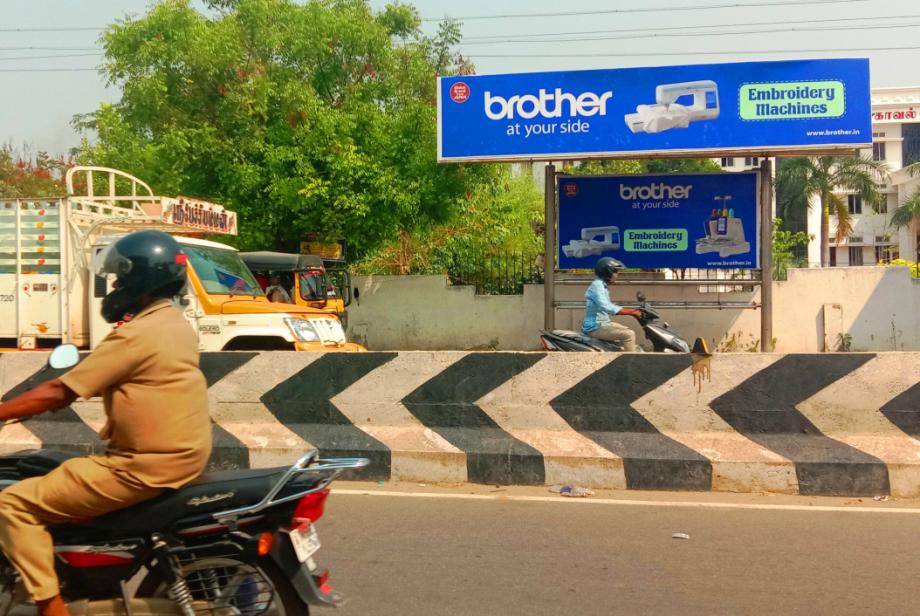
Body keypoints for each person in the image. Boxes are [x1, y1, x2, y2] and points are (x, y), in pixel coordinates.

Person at [0, 230, 212, 616]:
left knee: (13, 502)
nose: (115, 286)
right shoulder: (174, 324)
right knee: (52, 466)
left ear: (140, 279)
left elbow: (58, 392)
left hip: (140, 467)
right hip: (182, 458)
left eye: (120, 278)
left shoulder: (135, 336)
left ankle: (51, 607)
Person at [582, 257, 643, 351]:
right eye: (615, 271)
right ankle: (630, 364)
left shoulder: (602, 286)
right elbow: (606, 306)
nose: (617, 275)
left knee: (626, 329)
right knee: (629, 335)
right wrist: (631, 312)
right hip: (594, 327)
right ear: (607, 272)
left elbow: (608, 306)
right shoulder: (597, 285)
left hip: (603, 323)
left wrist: (633, 312)